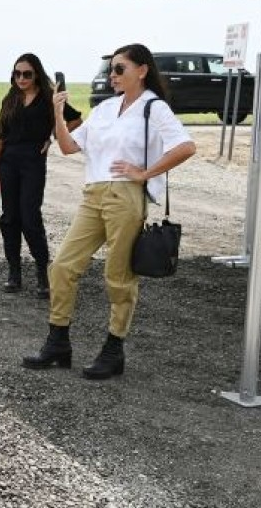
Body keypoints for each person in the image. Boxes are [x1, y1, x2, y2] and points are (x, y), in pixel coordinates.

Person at [22, 43, 196, 379]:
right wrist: (58, 114)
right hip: (94, 193)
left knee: (118, 276)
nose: (112, 75)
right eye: (111, 69)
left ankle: (114, 349)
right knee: (62, 266)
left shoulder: (153, 108)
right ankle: (58, 342)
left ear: (142, 70)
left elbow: (186, 146)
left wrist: (144, 173)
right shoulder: (104, 109)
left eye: (120, 69)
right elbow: (70, 146)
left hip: (126, 196)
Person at [0, 53, 81, 298]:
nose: (21, 78)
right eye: (17, 73)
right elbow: (0, 135)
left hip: (32, 163)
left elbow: (76, 120)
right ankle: (14, 273)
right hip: (8, 162)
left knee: (30, 217)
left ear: (36, 73)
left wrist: (52, 138)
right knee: (10, 218)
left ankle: (43, 272)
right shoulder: (10, 99)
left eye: (27, 74)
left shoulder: (49, 97)